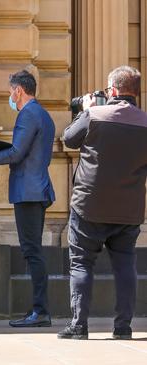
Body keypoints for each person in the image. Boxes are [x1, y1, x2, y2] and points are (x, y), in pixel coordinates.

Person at [58, 66, 147, 340]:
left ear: (113, 90)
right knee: (125, 266)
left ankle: (78, 325)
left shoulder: (94, 115)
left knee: (81, 263)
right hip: (129, 209)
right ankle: (123, 327)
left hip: (89, 205)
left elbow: (69, 139)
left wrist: (84, 110)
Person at [0, 70, 55, 327]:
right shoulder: (42, 114)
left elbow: (17, 153)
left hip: (28, 193)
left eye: (10, 91)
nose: (10, 96)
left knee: (32, 252)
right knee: (33, 251)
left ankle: (40, 312)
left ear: (18, 90)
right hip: (36, 190)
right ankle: (38, 311)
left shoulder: (27, 114)